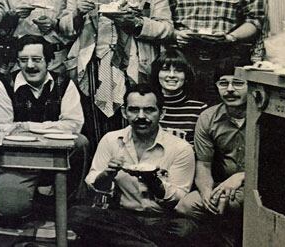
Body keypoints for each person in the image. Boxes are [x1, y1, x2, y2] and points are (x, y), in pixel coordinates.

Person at [63, 0, 173, 142]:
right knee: (92, 130)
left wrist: (138, 24)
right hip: (91, 67)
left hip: (133, 66)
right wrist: (77, 14)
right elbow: (64, 28)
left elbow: (166, 29)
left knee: (133, 128)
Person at [69, 83, 196, 247]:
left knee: (187, 229)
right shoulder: (111, 140)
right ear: (124, 112)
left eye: (149, 110)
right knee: (77, 214)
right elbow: (93, 186)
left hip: (162, 220)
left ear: (162, 113)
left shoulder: (180, 148)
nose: (141, 116)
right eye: (134, 110)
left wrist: (154, 183)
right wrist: (107, 174)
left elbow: (179, 199)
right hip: (123, 218)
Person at [0, 35, 87, 221]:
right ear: (17, 62)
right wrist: (53, 129)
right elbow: (2, 130)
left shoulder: (65, 84)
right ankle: (36, 201)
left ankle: (63, 201)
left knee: (80, 142)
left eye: (37, 59)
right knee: (9, 211)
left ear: (49, 61)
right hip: (18, 162)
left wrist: (27, 126)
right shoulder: (2, 86)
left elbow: (73, 125)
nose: (30, 66)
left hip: (56, 160)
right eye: (23, 60)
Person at [176, 75, 248, 246]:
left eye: (238, 83)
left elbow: (279, 167)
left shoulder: (266, 117)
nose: (230, 89)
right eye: (223, 83)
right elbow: (203, 164)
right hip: (222, 186)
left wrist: (242, 176)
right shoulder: (208, 117)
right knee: (186, 206)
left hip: (259, 187)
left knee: (229, 205)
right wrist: (206, 192)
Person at [150, 47, 208, 145]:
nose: (172, 75)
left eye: (179, 70)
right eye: (165, 69)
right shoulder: (147, 107)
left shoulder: (200, 109)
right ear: (156, 74)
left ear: (186, 75)